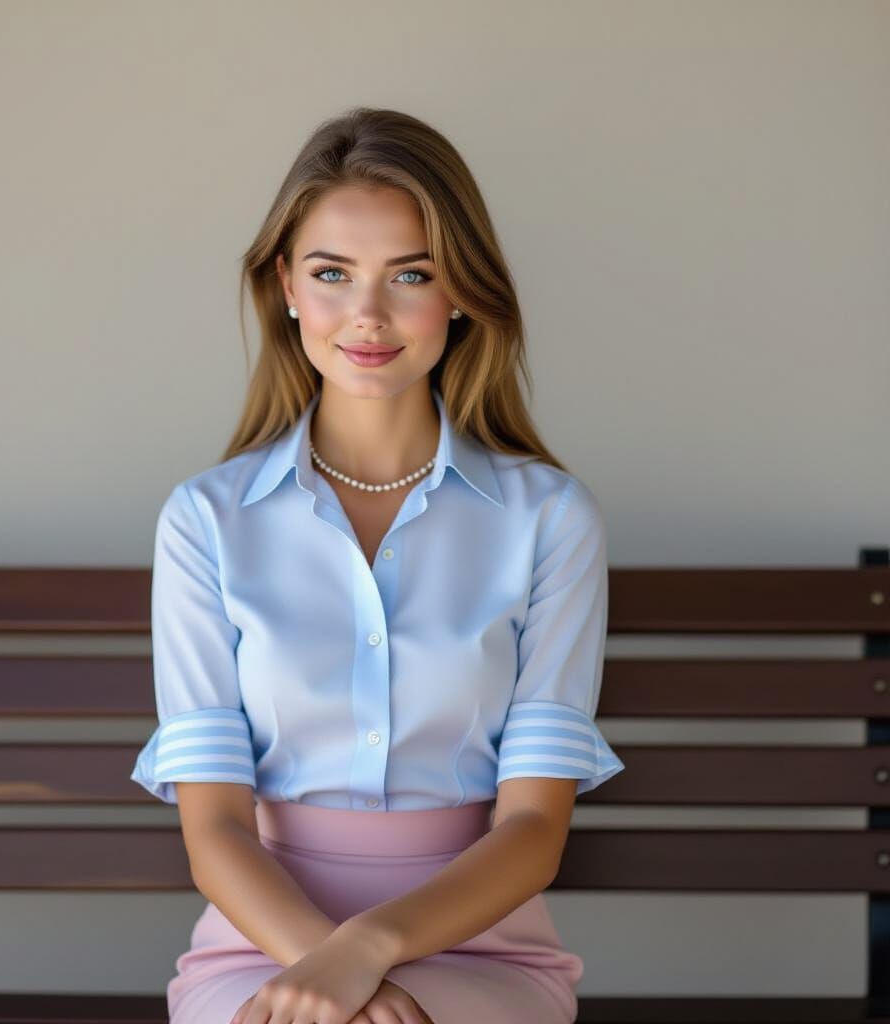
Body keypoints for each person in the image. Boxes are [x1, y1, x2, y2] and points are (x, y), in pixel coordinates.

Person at [131, 106, 625, 1024]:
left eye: (410, 275)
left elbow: (532, 828)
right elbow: (215, 828)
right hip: (257, 943)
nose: (367, 314)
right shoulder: (206, 520)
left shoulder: (550, 518)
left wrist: (368, 951)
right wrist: (326, 966)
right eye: (331, 273)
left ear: (462, 293)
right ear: (285, 285)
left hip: (482, 943)